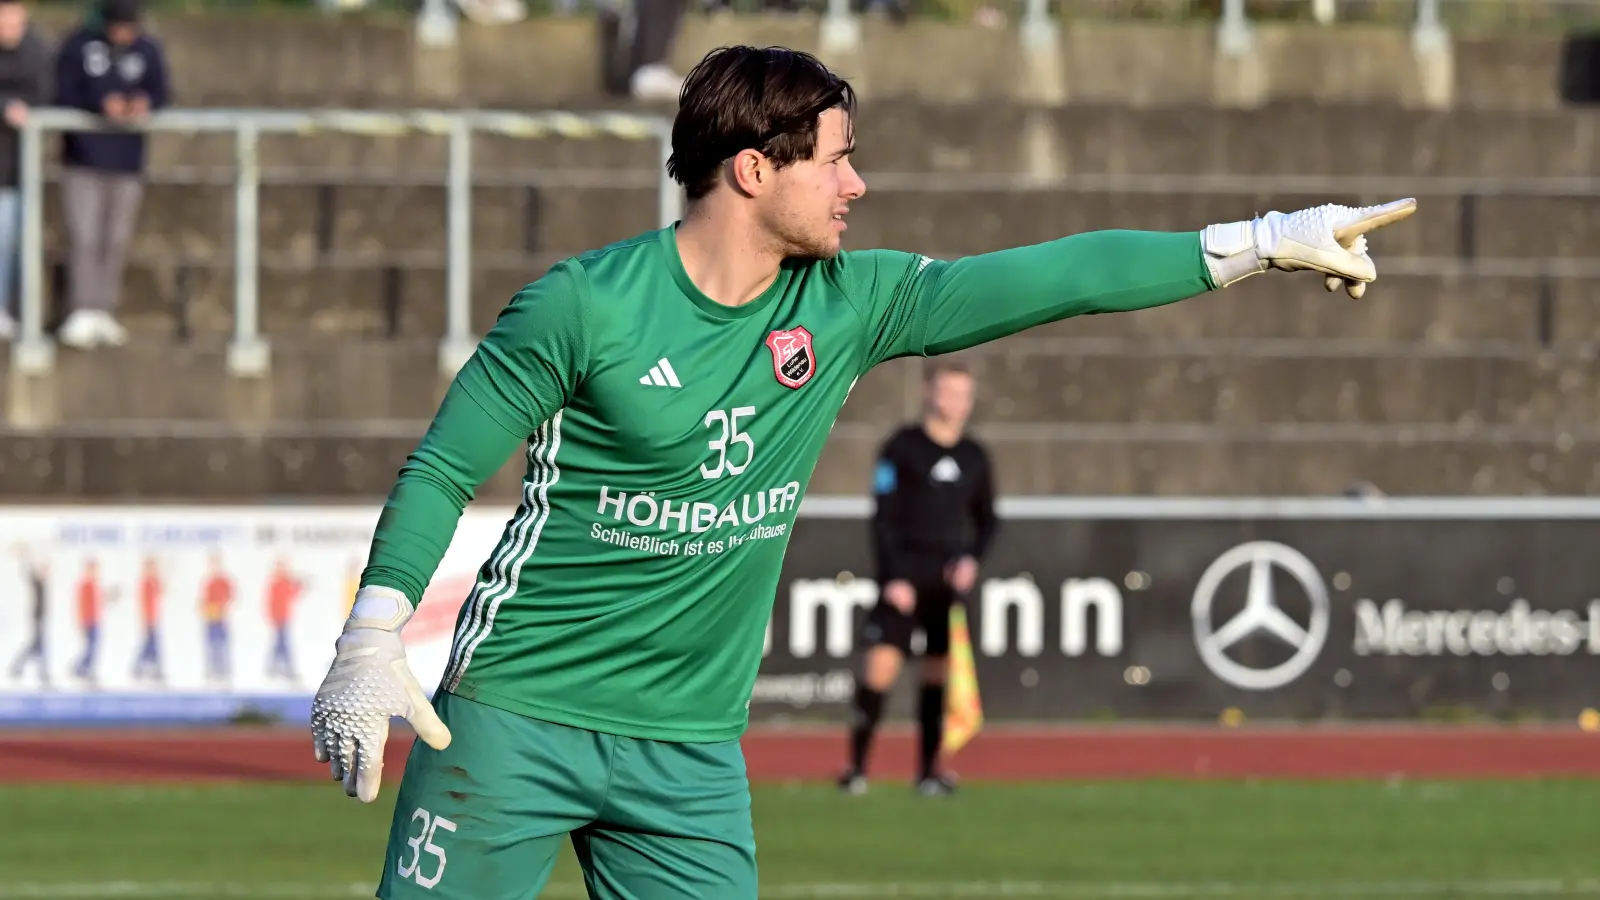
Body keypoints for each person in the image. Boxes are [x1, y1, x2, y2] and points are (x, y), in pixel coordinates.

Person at [308, 44, 1415, 900]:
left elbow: (1054, 278)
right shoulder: (583, 304)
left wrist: (1261, 241)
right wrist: (373, 631)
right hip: (516, 718)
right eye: (836, 159)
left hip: (689, 751)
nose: (858, 184)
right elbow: (443, 468)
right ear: (754, 169)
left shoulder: (851, 302)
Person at [840, 358, 997, 797]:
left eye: (963, 394)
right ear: (929, 393)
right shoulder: (902, 447)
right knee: (880, 670)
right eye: (948, 392)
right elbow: (883, 516)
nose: (956, 402)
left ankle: (928, 771)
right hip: (903, 580)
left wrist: (970, 560)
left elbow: (988, 520)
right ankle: (856, 768)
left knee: (937, 676)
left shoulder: (974, 455)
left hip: (945, 586)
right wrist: (893, 577)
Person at [52, 0, 170, 349]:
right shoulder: (78, 46)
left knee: (116, 238)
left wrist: (144, 103)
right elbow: (62, 91)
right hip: (83, 159)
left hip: (127, 160)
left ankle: (104, 307)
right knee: (84, 236)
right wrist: (98, 104)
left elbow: (162, 91)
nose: (125, 33)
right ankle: (81, 308)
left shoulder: (148, 49)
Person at [0, 0, 52, 341]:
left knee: (17, 241)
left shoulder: (37, 50)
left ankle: (13, 311)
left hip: (21, 166)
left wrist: (25, 110)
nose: (10, 31)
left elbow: (46, 92)